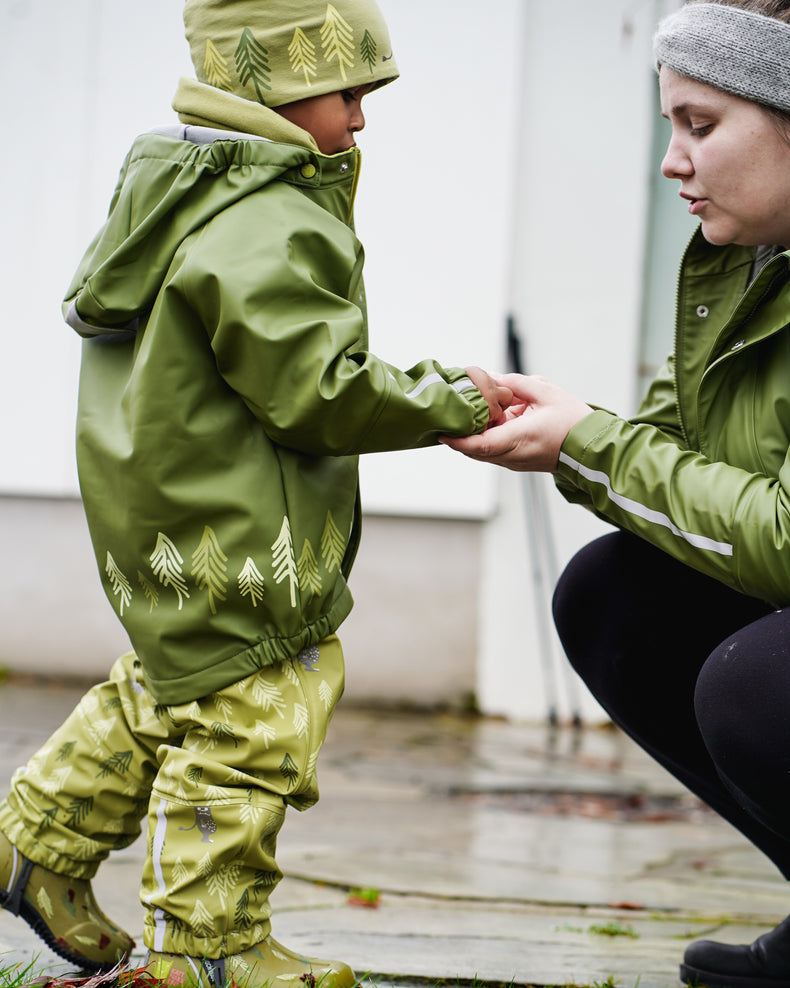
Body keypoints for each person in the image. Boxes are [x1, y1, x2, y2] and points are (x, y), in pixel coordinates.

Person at [0, 2, 512, 986]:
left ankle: (42, 841)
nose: (361, 120)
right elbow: (316, 390)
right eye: (349, 92)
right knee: (257, 713)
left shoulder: (181, 186)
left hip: (168, 516)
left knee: (171, 684)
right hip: (241, 525)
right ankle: (210, 947)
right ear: (275, 79)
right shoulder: (267, 217)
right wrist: (446, 399)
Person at [443, 1, 790, 986]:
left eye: (701, 125)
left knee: (757, 680)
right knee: (612, 593)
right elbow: (669, 446)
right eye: (669, 126)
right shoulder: (744, 264)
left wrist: (586, 445)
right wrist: (562, 428)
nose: (672, 163)